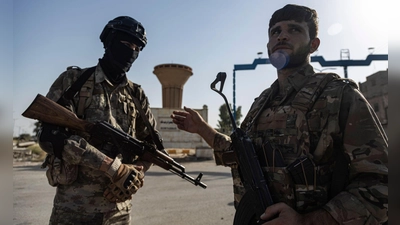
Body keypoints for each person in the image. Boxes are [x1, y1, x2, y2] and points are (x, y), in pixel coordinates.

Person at [171, 4, 388, 225]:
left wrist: (307, 221)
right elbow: (241, 155)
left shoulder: (340, 96)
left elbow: (382, 182)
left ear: (314, 44)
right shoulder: (262, 103)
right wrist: (202, 129)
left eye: (294, 30)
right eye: (275, 31)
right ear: (268, 45)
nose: (282, 36)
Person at [37, 16, 160, 224]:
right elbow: (48, 136)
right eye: (126, 43)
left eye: (137, 47)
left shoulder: (136, 95)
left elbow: (151, 147)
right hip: (74, 209)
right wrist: (111, 167)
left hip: (118, 211)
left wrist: (136, 173)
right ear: (110, 41)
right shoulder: (74, 81)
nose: (132, 51)